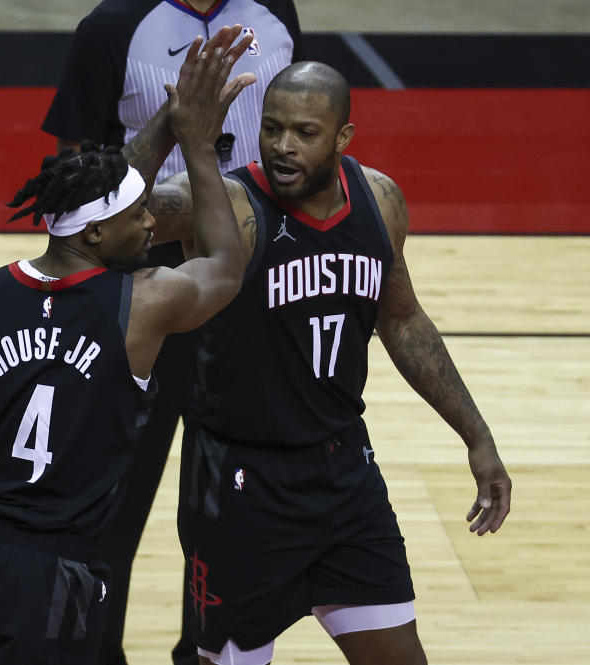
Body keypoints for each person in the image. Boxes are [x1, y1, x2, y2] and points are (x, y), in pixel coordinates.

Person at [0, 27, 255, 665]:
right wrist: (194, 141)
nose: (151, 223)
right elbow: (225, 266)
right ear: (92, 235)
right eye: (135, 215)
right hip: (58, 563)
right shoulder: (140, 303)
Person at [148, 61, 513, 665]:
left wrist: (477, 436)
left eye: (304, 132)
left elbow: (402, 319)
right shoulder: (228, 206)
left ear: (343, 137)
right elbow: (106, 214)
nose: (283, 146)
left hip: (344, 477)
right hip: (241, 487)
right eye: (271, 128)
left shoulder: (379, 199)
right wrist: (175, 127)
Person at [43, 4, 303, 663]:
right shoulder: (112, 26)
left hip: (256, 273)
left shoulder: (275, 10)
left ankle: (210, 648)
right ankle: (95, 648)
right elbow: (68, 187)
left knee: (232, 487)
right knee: (116, 486)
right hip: (146, 277)